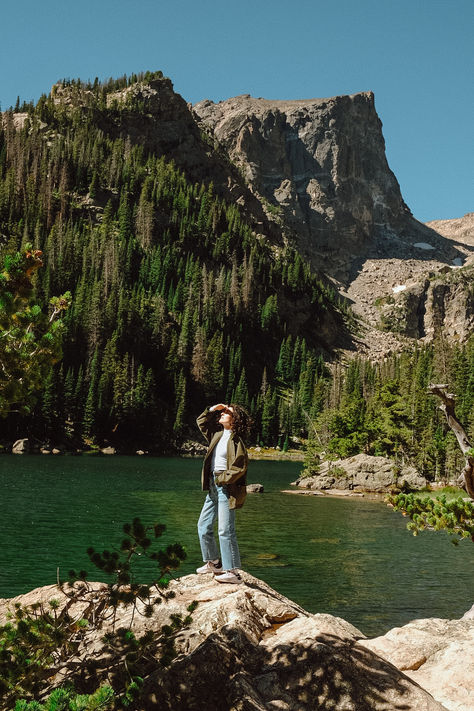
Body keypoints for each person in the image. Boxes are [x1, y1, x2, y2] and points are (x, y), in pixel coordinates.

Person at [195, 403, 249, 584]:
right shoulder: (216, 435)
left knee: (225, 530)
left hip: (226, 487)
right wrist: (212, 409)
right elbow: (201, 422)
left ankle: (232, 572)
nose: (223, 414)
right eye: (224, 412)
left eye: (227, 413)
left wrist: (223, 479)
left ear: (235, 420)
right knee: (203, 526)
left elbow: (240, 467)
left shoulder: (236, 441)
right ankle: (214, 563)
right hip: (213, 485)